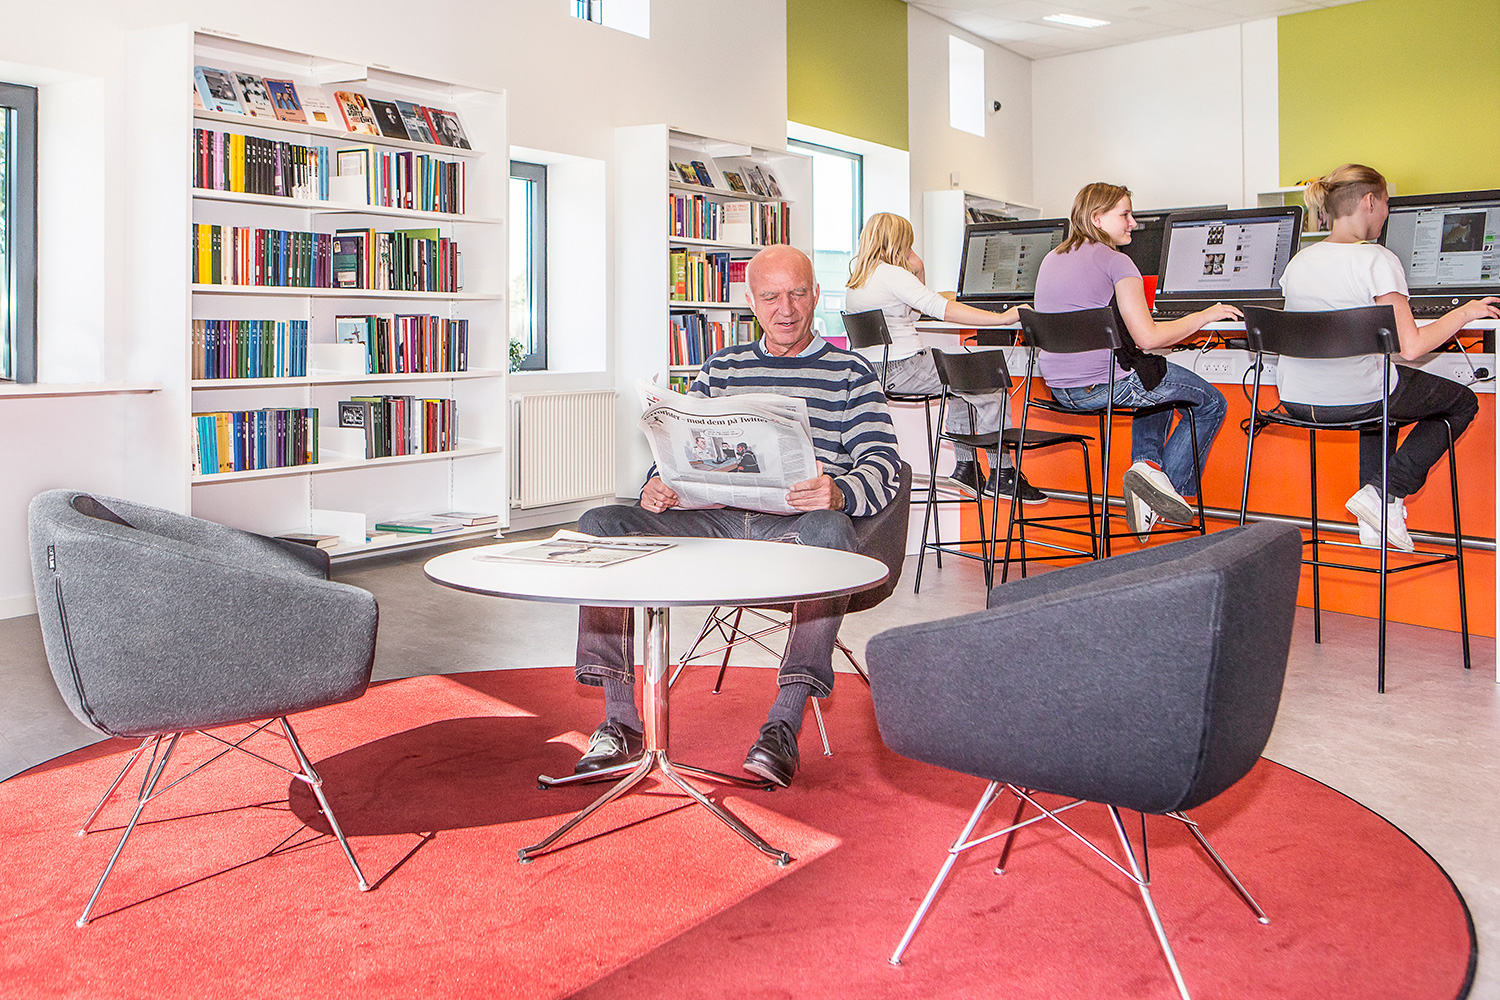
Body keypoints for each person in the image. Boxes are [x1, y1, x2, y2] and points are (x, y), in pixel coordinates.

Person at [572, 245, 901, 788]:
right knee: (602, 524)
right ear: (751, 302)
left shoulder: (851, 372)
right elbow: (677, 449)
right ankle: (620, 721)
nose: (785, 309)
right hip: (715, 522)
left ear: (817, 295)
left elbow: (885, 465)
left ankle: (783, 725)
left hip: (795, 526)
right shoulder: (722, 368)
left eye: (798, 293)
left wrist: (839, 492)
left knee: (830, 530)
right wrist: (658, 485)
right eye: (770, 297)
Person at [1275, 164, 1498, 551]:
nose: (1387, 213)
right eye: (1386, 205)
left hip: (1296, 399)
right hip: (1358, 397)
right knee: (1462, 401)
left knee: (1381, 396)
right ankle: (1384, 492)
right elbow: (1411, 347)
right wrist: (1465, 313)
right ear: (1369, 202)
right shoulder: (1376, 259)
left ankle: (1376, 514)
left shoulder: (1298, 263)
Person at [1032, 182, 1237, 538]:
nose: (1134, 223)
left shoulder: (1051, 258)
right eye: (1125, 215)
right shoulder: (1117, 261)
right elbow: (1149, 337)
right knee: (1211, 403)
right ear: (1097, 218)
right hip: (1105, 386)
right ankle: (1164, 491)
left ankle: (1147, 471)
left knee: (1156, 382)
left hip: (1061, 391)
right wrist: (1205, 315)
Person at [843, 212, 1046, 503]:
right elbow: (942, 309)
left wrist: (919, 269)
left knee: (961, 383)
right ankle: (1003, 474)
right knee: (990, 382)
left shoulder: (858, 280)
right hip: (906, 366)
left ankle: (967, 468)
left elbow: (913, 315)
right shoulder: (893, 274)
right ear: (900, 243)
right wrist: (1002, 318)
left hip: (875, 372)